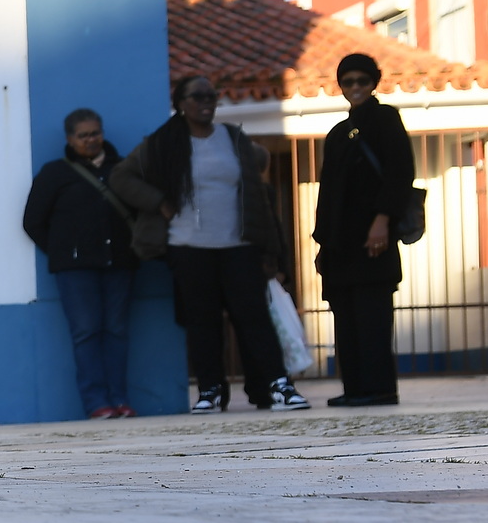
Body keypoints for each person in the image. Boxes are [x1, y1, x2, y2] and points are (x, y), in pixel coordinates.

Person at [111, 75, 309, 412]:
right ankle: (211, 391)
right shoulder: (162, 144)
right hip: (189, 247)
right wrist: (159, 202)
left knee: (254, 318)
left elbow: (259, 166)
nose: (206, 102)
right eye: (197, 96)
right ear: (181, 103)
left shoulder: (232, 138)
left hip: (239, 245)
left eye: (211, 96)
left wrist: (269, 248)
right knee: (202, 322)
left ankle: (278, 386)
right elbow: (121, 177)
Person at [24, 108, 137, 418]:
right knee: (86, 332)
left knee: (117, 331)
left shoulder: (123, 169)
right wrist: (64, 253)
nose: (90, 140)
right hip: (75, 272)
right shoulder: (54, 174)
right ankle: (96, 402)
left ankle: (120, 399)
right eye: (83, 135)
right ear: (70, 139)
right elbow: (33, 222)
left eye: (95, 133)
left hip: (120, 264)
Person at [313, 53, 412, 407]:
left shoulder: (386, 119)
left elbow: (400, 172)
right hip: (341, 244)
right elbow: (328, 192)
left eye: (362, 80)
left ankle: (379, 389)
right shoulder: (338, 133)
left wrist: (382, 221)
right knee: (346, 318)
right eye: (348, 81)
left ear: (374, 82)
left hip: (373, 239)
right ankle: (355, 388)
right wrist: (323, 243)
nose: (355, 87)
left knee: (372, 317)